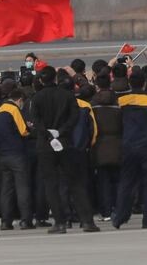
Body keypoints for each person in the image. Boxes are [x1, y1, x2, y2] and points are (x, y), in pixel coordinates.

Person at [32, 66, 100, 233]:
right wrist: (62, 131)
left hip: (46, 144)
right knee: (76, 182)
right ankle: (87, 221)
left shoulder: (37, 98)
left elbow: (36, 120)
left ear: (41, 80)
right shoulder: (67, 95)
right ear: (55, 79)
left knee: (51, 185)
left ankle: (60, 222)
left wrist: (48, 134)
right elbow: (74, 116)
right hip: (65, 141)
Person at [113, 71, 147, 229]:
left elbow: (117, 125)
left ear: (129, 84)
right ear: (144, 84)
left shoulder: (121, 101)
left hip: (128, 146)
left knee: (126, 182)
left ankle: (120, 216)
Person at [0, 88, 34, 230]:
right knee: (22, 187)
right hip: (17, 154)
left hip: (2, 155)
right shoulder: (13, 110)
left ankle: (5, 221)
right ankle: (26, 220)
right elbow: (24, 131)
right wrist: (30, 128)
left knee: (6, 190)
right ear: (19, 100)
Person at [90, 73, 122, 222]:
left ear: (97, 86)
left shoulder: (93, 104)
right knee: (117, 180)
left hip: (99, 145)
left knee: (103, 181)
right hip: (117, 143)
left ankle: (106, 211)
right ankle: (118, 208)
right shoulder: (118, 102)